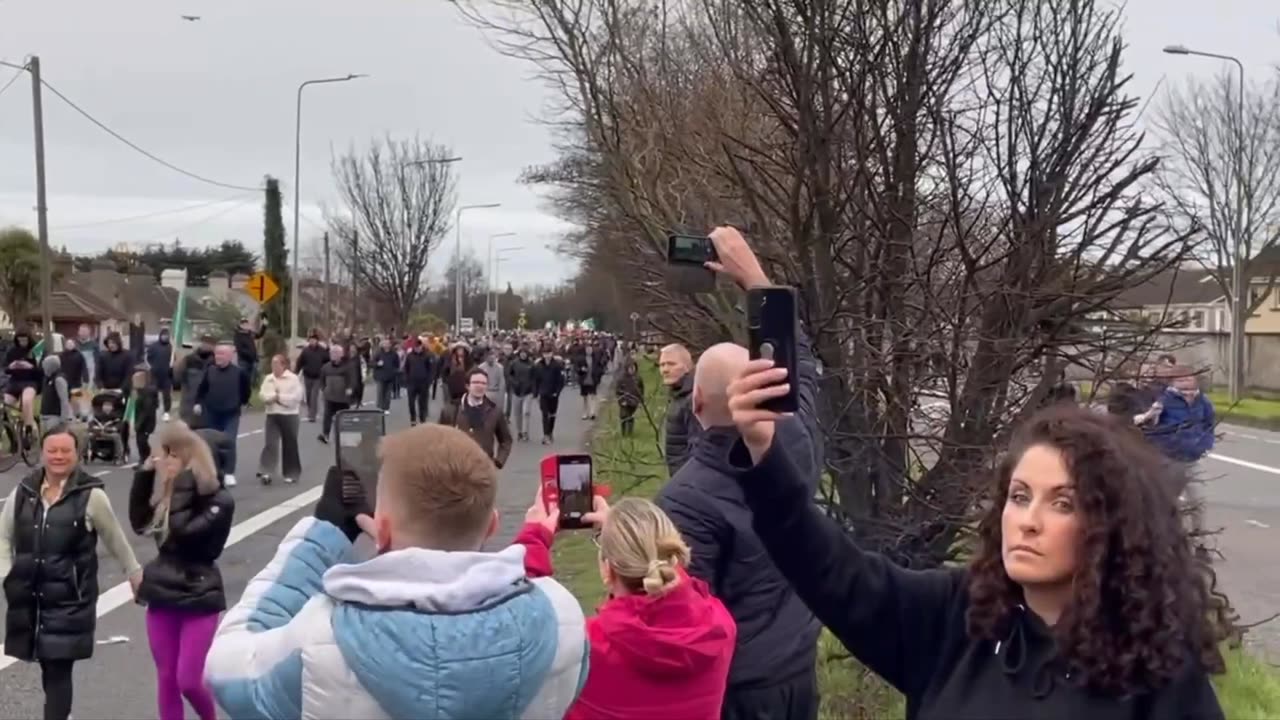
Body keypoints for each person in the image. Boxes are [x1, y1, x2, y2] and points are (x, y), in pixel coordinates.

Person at [726, 364, 1229, 719]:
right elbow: (834, 571)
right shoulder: (959, 616)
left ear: (1112, 524)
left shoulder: (1156, 666)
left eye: (1062, 503)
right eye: (1019, 496)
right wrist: (764, 454)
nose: (1027, 521)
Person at [202, 424, 588, 719]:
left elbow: (227, 668)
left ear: (381, 530)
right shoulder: (562, 620)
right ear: (492, 526)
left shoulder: (322, 638)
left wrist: (322, 535)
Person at [656, 225, 825, 719]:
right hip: (797, 668)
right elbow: (806, 365)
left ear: (696, 400)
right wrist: (753, 277)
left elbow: (683, 623)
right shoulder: (799, 442)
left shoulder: (685, 500)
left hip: (735, 688)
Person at [518, 494, 737, 719]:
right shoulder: (718, 626)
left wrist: (534, 538)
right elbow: (672, 580)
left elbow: (519, 621)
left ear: (607, 571)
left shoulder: (583, 647)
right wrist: (626, 534)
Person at [1, 424, 143, 720]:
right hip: (30, 595)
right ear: (42, 452)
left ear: (77, 454)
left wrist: (134, 571)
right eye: (52, 450)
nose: (58, 456)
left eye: (66, 450)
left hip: (70, 597)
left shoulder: (91, 496)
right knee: (46, 663)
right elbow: (3, 536)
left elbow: (115, 537)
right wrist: (7, 573)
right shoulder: (23, 492)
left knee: (57, 666)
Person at [129, 422, 235, 720]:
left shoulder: (219, 501)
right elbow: (139, 522)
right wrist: (145, 475)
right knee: (166, 677)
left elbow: (184, 533)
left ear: (193, 459)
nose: (166, 462)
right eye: (166, 455)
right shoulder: (168, 494)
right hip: (163, 589)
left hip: (199, 592)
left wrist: (183, 484)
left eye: (173, 456)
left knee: (187, 679)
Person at [192, 343, 251, 488]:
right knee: (213, 443)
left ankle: (229, 472)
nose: (218, 357)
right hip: (212, 412)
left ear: (230, 356)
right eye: (217, 354)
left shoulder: (239, 373)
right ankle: (215, 472)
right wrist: (197, 403)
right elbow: (202, 389)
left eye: (222, 354)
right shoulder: (210, 371)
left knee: (229, 441)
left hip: (231, 412)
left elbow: (246, 391)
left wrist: (242, 402)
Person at [440, 368, 514, 467]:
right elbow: (438, 439)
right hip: (456, 468)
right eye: (476, 382)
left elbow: (506, 440)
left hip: (483, 468)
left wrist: (498, 461)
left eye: (483, 383)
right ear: (467, 386)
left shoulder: (494, 411)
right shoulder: (451, 410)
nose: (480, 386)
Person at [257, 354, 303, 485]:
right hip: (272, 414)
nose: (274, 367)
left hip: (289, 415)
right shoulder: (269, 378)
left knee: (290, 444)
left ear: (284, 365)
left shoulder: (293, 379)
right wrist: (270, 398)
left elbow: (296, 398)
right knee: (270, 443)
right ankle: (266, 471)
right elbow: (263, 394)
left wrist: (278, 398)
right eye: (272, 364)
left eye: (277, 364)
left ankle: (291, 473)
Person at [659, 343, 698, 475]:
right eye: (662, 365)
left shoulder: (693, 399)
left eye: (671, 364)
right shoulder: (679, 394)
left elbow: (697, 450)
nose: (665, 369)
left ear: (687, 367)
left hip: (690, 480)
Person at [318, 343, 359, 444]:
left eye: (336, 353)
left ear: (341, 354)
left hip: (343, 397)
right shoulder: (326, 367)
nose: (333, 354)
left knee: (344, 417)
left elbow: (353, 379)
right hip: (329, 397)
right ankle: (325, 435)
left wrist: (350, 388)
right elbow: (322, 380)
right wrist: (323, 389)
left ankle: (345, 436)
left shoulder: (348, 366)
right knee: (327, 416)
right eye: (332, 353)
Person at [4, 329, 42, 433]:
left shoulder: (36, 350)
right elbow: (5, 369)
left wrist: (30, 366)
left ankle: (29, 429)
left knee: (26, 401)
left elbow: (42, 370)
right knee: (4, 405)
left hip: (30, 381)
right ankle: (10, 433)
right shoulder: (12, 351)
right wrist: (11, 366)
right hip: (15, 381)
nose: (22, 343)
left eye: (25, 340)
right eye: (20, 340)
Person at [174, 336, 215, 427]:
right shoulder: (189, 360)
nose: (206, 345)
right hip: (189, 404)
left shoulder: (216, 362)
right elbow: (177, 380)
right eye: (204, 342)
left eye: (209, 343)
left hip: (207, 406)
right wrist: (176, 365)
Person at [533, 343, 567, 445]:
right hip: (543, 393)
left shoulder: (557, 365)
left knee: (552, 415)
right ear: (542, 354)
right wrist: (535, 393)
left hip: (553, 394)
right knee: (544, 414)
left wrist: (557, 392)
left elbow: (561, 380)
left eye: (549, 353)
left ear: (552, 354)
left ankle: (550, 431)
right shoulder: (539, 366)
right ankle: (546, 435)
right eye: (545, 353)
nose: (547, 355)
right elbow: (535, 380)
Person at [128, 367, 161, 465]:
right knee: (140, 441)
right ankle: (144, 460)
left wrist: (139, 424)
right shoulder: (139, 391)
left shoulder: (148, 392)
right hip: (141, 421)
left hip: (146, 422)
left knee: (142, 441)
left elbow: (147, 410)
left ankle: (147, 459)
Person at [294, 332, 328, 423]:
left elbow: (327, 361)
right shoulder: (305, 351)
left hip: (318, 377)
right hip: (307, 376)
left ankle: (312, 415)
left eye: (314, 340)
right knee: (308, 396)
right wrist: (296, 372)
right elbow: (300, 362)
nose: (312, 341)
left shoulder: (322, 351)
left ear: (317, 341)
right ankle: (310, 411)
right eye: (311, 340)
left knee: (314, 396)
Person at [506, 346, 537, 441]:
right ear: (519, 354)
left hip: (528, 392)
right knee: (517, 413)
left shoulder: (531, 364)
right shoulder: (514, 363)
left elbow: (535, 378)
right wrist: (514, 383)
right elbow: (509, 375)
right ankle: (519, 431)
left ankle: (525, 432)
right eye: (521, 353)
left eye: (525, 353)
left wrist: (534, 390)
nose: (523, 355)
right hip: (516, 391)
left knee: (526, 412)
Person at [402, 339, 434, 426]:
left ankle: (422, 419)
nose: (417, 348)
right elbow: (406, 368)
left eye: (419, 347)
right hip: (412, 383)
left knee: (422, 403)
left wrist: (429, 380)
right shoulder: (410, 356)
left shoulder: (427, 356)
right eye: (416, 347)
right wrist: (406, 379)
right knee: (411, 402)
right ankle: (413, 418)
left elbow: (430, 369)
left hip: (423, 383)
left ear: (421, 346)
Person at [38, 355, 74, 431]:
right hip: (45, 415)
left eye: (45, 365)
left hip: (55, 417)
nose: (43, 368)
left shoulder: (59, 379)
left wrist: (64, 419)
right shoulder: (47, 379)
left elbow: (64, 400)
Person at [146, 327, 175, 420]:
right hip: (155, 374)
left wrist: (172, 365)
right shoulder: (154, 346)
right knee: (153, 392)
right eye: (163, 335)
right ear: (160, 336)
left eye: (167, 335)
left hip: (166, 375)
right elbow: (147, 357)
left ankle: (166, 412)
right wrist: (150, 367)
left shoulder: (171, 347)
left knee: (166, 394)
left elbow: (174, 359)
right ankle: (154, 408)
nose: (165, 337)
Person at [58, 338, 90, 418]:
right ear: (65, 345)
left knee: (76, 398)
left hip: (76, 381)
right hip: (64, 381)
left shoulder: (79, 355)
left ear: (74, 345)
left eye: (71, 343)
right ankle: (67, 415)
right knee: (65, 399)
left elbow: (84, 367)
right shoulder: (61, 355)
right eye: (68, 344)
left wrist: (86, 378)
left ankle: (78, 414)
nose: (70, 345)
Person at [577, 340, 606, 420]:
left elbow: (600, 367)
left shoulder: (595, 358)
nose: (589, 350)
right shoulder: (581, 359)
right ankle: (585, 412)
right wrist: (581, 369)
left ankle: (592, 412)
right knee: (585, 397)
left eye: (590, 348)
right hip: (584, 379)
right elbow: (577, 369)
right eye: (587, 348)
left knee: (593, 395)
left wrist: (598, 374)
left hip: (593, 379)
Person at [615, 358, 645, 436]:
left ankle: (630, 432)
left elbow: (641, 390)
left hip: (634, 401)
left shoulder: (638, 378)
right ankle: (623, 432)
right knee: (623, 416)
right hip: (624, 401)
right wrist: (621, 400)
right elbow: (617, 391)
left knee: (630, 416)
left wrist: (641, 400)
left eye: (633, 368)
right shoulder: (621, 379)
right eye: (630, 368)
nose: (632, 370)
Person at [232, 317, 265, 383]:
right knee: (244, 378)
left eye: (246, 323)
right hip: (244, 361)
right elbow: (240, 349)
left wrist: (264, 325)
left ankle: (251, 388)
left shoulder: (250, 334)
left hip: (253, 360)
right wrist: (250, 355)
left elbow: (259, 335)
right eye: (243, 324)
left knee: (252, 379)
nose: (245, 325)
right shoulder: (238, 335)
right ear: (240, 325)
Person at [372, 337, 400, 414]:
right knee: (380, 392)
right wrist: (377, 364)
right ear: (382, 345)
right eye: (385, 344)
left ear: (390, 345)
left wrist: (394, 371)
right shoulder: (378, 353)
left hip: (390, 376)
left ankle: (386, 408)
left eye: (388, 344)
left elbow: (397, 364)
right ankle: (380, 407)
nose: (387, 345)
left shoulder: (394, 354)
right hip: (380, 376)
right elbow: (371, 363)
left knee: (388, 394)